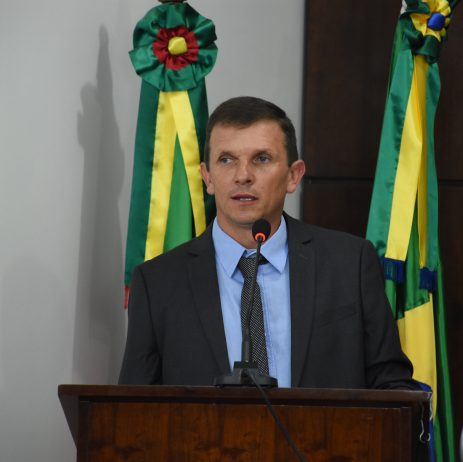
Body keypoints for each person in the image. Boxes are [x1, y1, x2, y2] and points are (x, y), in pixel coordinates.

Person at [119, 96, 417, 390]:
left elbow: (392, 386)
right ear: (207, 178)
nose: (243, 176)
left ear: (293, 176)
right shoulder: (157, 283)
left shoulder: (350, 264)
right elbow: (135, 406)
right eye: (226, 160)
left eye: (261, 159)